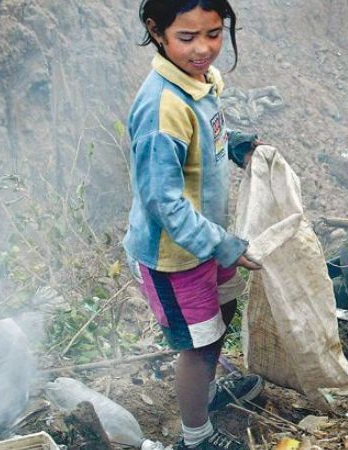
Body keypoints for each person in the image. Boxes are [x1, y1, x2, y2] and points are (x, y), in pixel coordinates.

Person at [126, 1, 263, 449]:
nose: (203, 48)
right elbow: (163, 201)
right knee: (199, 343)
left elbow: (203, 139)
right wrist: (221, 245)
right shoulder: (162, 108)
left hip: (208, 240)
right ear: (157, 31)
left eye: (214, 33)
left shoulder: (199, 82)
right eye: (187, 37)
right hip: (176, 254)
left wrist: (236, 144)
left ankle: (203, 396)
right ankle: (195, 435)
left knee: (220, 319)